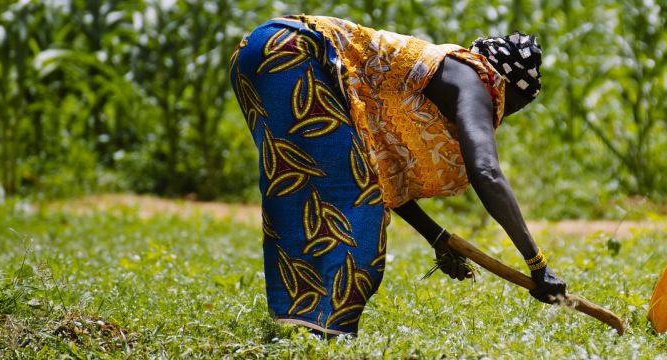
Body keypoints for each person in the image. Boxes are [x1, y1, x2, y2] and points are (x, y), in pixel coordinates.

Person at [229, 15, 566, 336]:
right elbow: (487, 172)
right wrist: (538, 264)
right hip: (293, 53)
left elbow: (380, 176)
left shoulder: (437, 77)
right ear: (505, 86)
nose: (502, 115)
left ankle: (304, 325)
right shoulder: (477, 80)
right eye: (515, 105)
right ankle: (323, 331)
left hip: (260, 49)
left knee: (305, 197)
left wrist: (438, 237)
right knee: (357, 212)